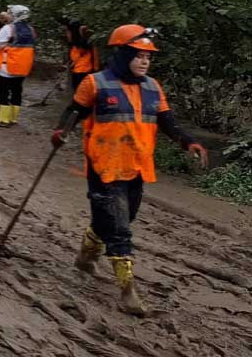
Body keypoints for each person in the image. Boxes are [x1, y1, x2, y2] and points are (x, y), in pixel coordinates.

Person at [51, 24, 209, 315]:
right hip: (104, 166)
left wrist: (190, 143)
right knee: (120, 229)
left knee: (119, 218)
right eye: (138, 55)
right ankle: (127, 291)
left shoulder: (152, 87)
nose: (145, 61)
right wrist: (62, 130)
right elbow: (74, 111)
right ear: (122, 55)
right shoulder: (95, 83)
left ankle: (85, 257)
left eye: (148, 57)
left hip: (136, 166)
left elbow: (167, 121)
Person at [0, 4, 35, 127]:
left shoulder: (8, 28)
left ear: (15, 15)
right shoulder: (31, 30)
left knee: (3, 91)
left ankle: (3, 119)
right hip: (22, 67)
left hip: (7, 66)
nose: (8, 15)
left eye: (10, 13)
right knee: (17, 91)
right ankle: (13, 118)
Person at [61, 17, 100, 92]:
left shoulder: (84, 43)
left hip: (83, 71)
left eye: (67, 32)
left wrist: (96, 70)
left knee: (80, 92)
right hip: (80, 70)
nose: (66, 34)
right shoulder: (77, 43)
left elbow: (95, 57)